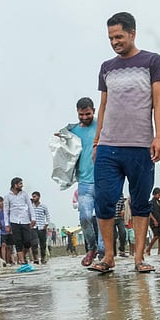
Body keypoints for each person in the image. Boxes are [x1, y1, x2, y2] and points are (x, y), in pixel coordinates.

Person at [88, 11, 160, 274]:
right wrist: (96, 142)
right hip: (109, 145)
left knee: (141, 201)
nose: (114, 42)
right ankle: (108, 257)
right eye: (111, 38)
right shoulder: (106, 67)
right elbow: (103, 105)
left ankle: (139, 258)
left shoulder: (152, 61)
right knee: (105, 200)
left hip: (141, 145)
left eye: (119, 36)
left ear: (132, 33)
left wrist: (158, 137)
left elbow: (159, 101)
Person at [62, 97, 104, 266]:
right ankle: (91, 248)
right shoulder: (72, 132)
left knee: (103, 218)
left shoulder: (101, 126)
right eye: (81, 115)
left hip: (103, 179)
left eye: (88, 114)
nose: (85, 117)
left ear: (93, 110)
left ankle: (103, 254)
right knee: (85, 217)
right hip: (84, 182)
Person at [4, 177, 37, 265]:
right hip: (14, 221)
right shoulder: (7, 196)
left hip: (25, 220)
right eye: (20, 184)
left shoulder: (24, 194)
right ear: (15, 185)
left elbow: (30, 206)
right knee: (18, 241)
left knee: (27, 241)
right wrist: (7, 224)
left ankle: (22, 256)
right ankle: (22, 260)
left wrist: (33, 218)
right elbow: (6, 210)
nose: (22, 185)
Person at [31, 191, 51, 264]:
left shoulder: (43, 206)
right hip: (33, 227)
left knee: (43, 244)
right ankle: (35, 259)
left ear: (39, 197)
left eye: (35, 196)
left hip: (42, 227)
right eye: (32, 197)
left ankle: (43, 258)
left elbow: (47, 215)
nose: (33, 198)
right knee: (34, 243)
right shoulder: (30, 206)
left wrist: (46, 224)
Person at [145, 188, 160, 254]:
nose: (159, 196)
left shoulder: (159, 202)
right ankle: (148, 248)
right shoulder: (151, 202)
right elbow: (149, 213)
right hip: (153, 221)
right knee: (156, 235)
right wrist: (154, 220)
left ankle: (159, 251)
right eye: (158, 195)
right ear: (154, 194)